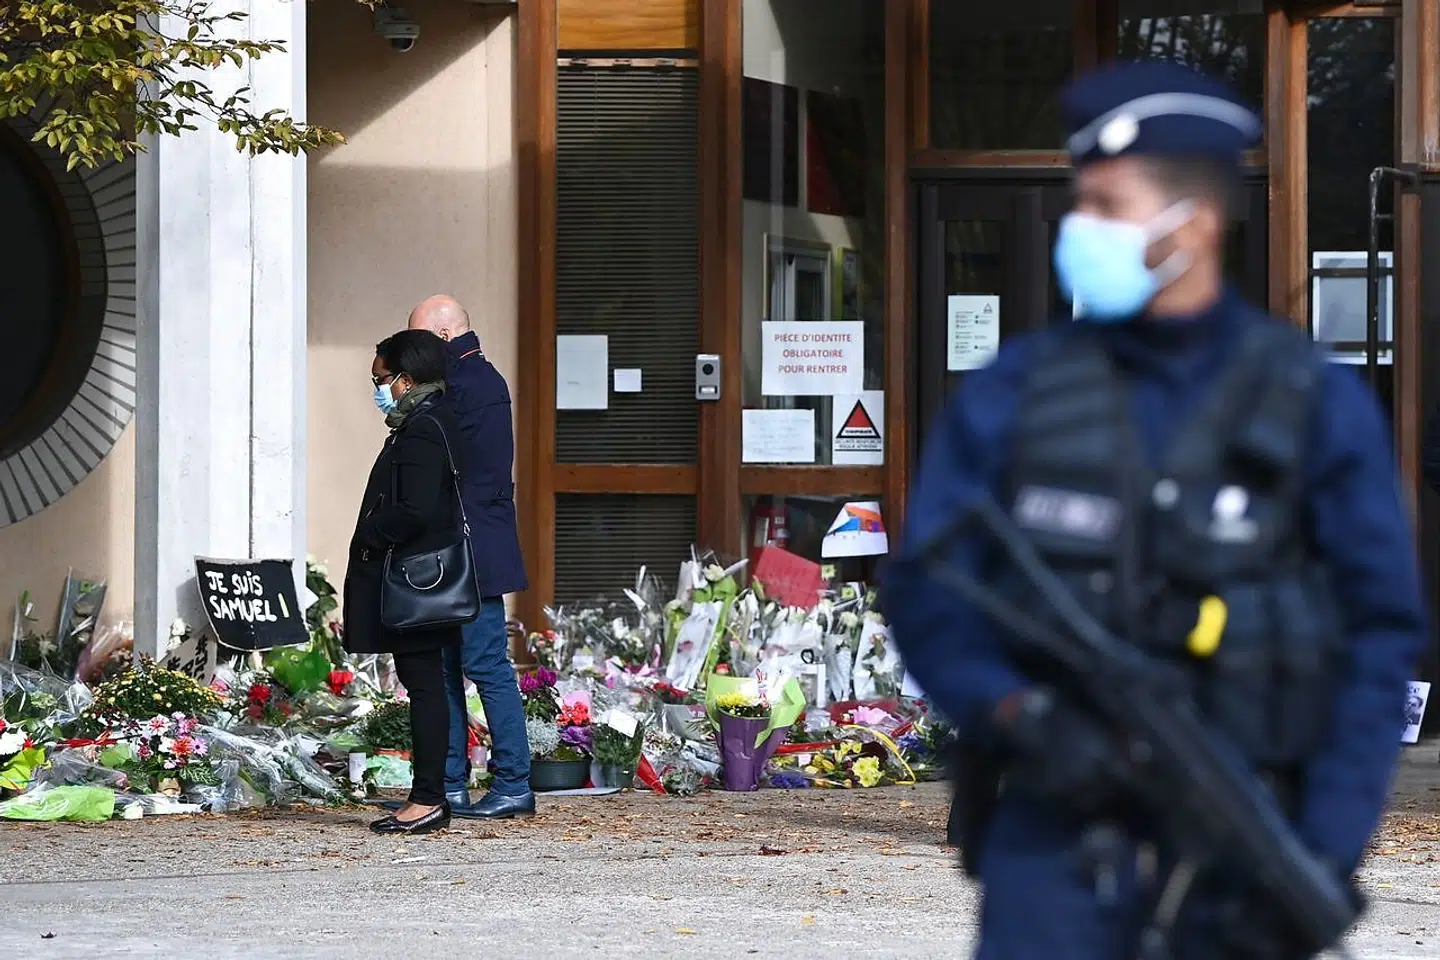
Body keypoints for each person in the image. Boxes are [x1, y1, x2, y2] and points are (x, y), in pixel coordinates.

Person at [882, 60, 1427, 959]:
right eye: (1081, 202)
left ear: (1195, 222)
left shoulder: (1309, 402)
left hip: (1246, 850)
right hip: (1053, 853)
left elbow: (1376, 637)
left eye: (1107, 206)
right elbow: (928, 589)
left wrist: (1320, 851)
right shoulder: (1018, 391)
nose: (1080, 227)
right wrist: (1015, 711)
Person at [406, 295, 534, 819]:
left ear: (439, 338)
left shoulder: (467, 385)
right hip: (466, 545)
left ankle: (512, 782)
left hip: (470, 549)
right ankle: (449, 782)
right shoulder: (476, 381)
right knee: (447, 667)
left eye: (415, 342)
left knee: (483, 665)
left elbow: (450, 464)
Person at [345, 329, 465, 835]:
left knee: (424, 687)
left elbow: (414, 510)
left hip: (414, 581)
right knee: (427, 685)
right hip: (420, 578)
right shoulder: (428, 421)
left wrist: (370, 533)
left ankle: (428, 798)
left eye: (380, 380)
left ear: (406, 379)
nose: (377, 389)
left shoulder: (421, 429)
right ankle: (429, 794)